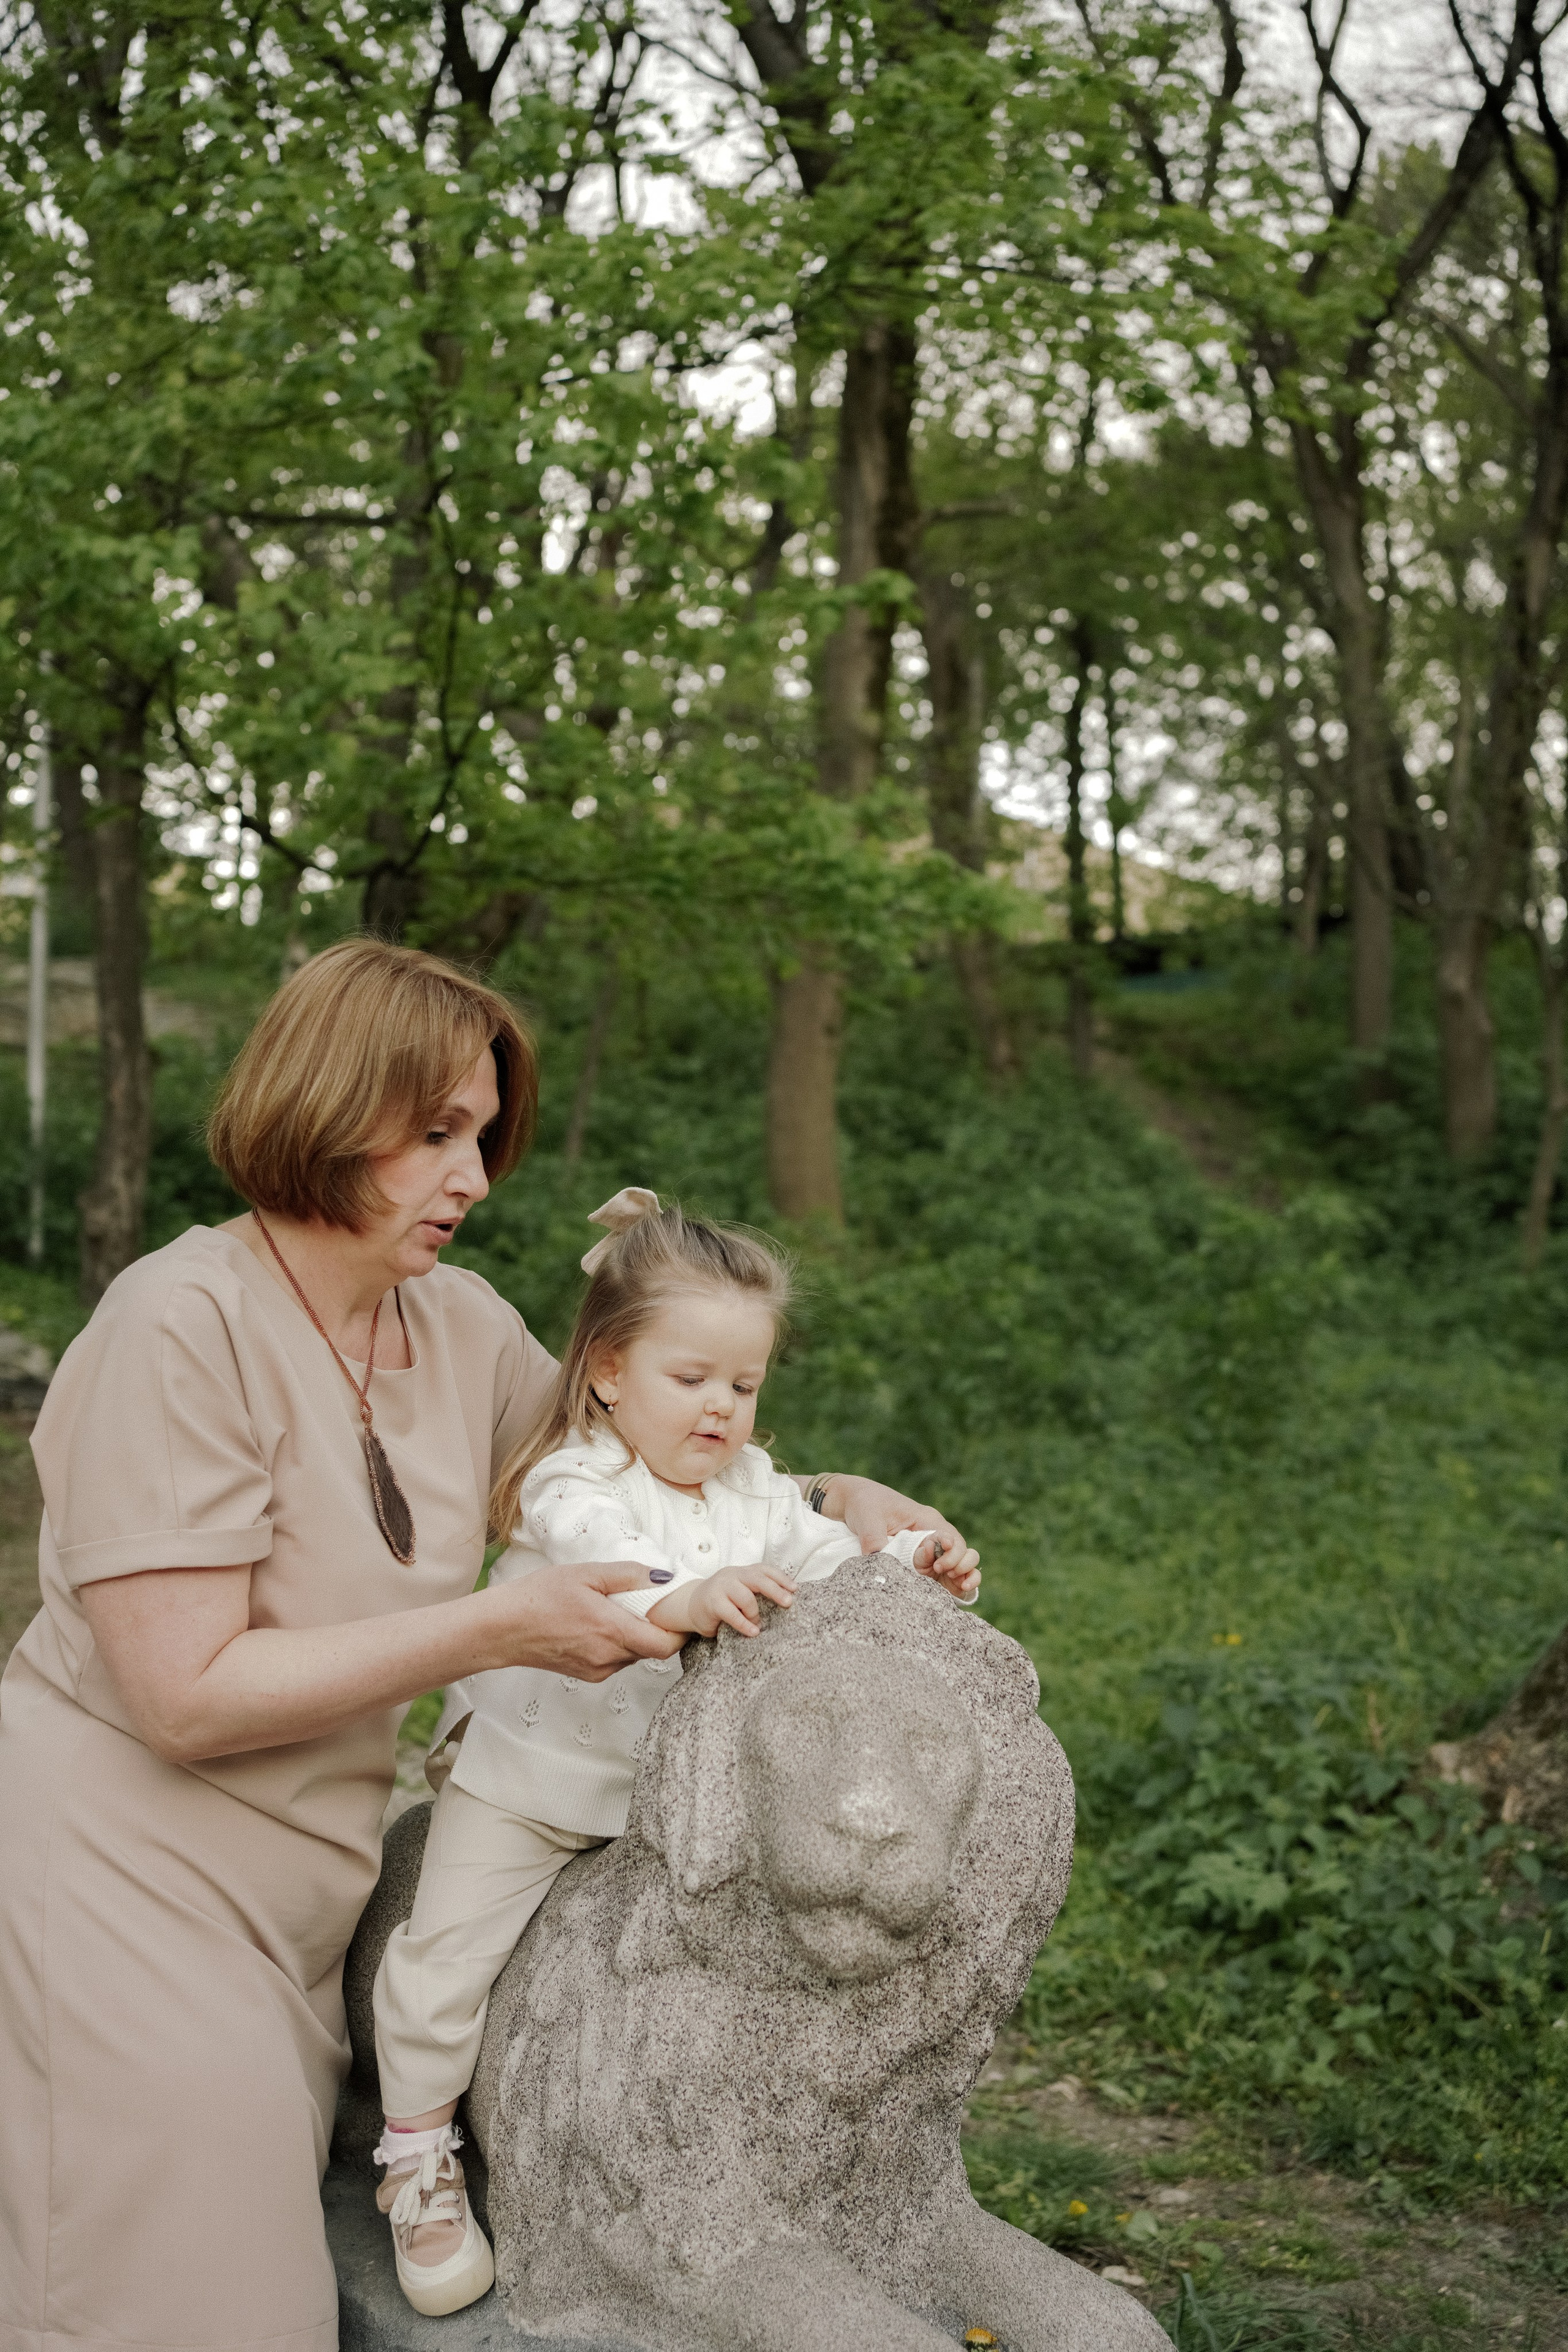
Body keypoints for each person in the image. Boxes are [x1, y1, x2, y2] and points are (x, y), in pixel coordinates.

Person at [0, 938, 978, 2352]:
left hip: (316, 1878)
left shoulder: (454, 1325)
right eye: (437, 1133)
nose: (473, 1177)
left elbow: (644, 1467)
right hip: (122, 1866)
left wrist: (837, 1502)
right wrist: (500, 1625)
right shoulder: (177, 1322)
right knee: (203, 2311)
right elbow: (180, 1698)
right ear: (328, 1108)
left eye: (483, 1138)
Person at [368, 1189, 982, 2315]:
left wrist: (907, 1568)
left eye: (743, 1387)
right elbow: (610, 1573)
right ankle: (416, 2154)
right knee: (445, 1957)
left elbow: (829, 1569)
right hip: (538, 1781)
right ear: (607, 1368)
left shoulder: (754, 1491)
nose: (720, 1410)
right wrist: (690, 1594)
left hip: (672, 1816)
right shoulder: (575, 1481)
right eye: (689, 1379)